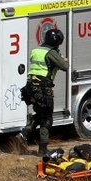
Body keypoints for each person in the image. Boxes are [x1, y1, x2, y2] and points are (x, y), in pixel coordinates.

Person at [18, 28, 69, 156]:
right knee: (46, 118)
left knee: (40, 113)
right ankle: (42, 150)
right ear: (57, 42)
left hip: (30, 87)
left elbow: (43, 65)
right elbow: (65, 66)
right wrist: (62, 59)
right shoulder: (51, 53)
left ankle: (24, 133)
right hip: (42, 88)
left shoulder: (36, 51)